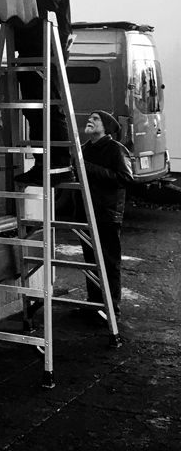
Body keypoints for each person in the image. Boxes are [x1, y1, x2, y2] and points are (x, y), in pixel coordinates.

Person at [14, 0, 72, 184]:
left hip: (44, 48)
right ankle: (43, 163)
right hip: (34, 47)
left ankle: (59, 164)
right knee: (35, 109)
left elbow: (47, 3)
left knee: (47, 107)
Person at [74, 110, 133, 321]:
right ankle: (95, 305)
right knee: (91, 262)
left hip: (106, 215)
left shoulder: (116, 149)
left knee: (108, 263)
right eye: (90, 118)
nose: (89, 120)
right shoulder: (83, 149)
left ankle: (111, 309)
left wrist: (88, 168)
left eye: (95, 119)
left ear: (106, 127)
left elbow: (125, 178)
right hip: (85, 214)